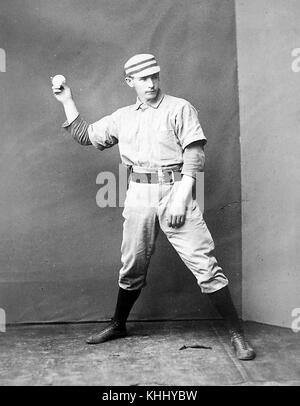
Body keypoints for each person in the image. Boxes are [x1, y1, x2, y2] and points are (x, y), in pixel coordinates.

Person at [52, 53, 255, 360]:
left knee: (205, 265)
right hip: (138, 193)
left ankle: (237, 334)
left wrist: (182, 195)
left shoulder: (180, 108)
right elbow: (85, 135)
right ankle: (118, 324)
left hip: (177, 188)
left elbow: (195, 155)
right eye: (143, 79)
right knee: (132, 264)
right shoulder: (122, 116)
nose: (151, 83)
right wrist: (67, 99)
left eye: (155, 76)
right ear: (129, 82)